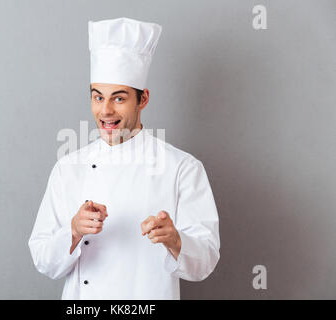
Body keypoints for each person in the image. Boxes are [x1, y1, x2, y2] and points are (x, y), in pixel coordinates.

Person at [28, 17, 220, 299]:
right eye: (97, 97)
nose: (105, 110)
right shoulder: (67, 169)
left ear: (142, 100)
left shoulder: (182, 168)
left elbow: (205, 262)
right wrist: (73, 230)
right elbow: (44, 260)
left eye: (119, 98)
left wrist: (176, 240)